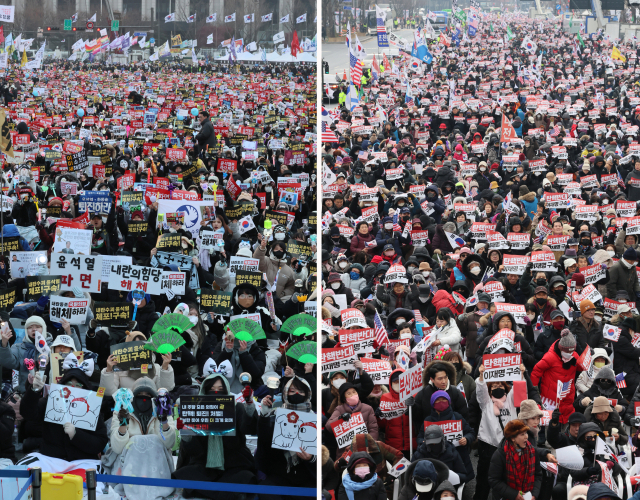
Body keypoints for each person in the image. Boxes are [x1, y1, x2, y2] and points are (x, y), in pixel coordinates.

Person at [488, 420, 542, 500]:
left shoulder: (532, 451)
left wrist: (534, 494)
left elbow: (538, 475)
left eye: (526, 433)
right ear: (513, 438)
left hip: (528, 496)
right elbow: (494, 480)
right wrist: (514, 494)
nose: (526, 436)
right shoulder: (500, 454)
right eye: (522, 434)